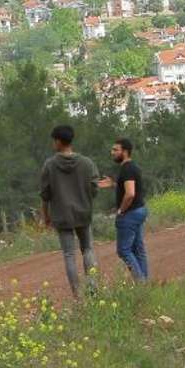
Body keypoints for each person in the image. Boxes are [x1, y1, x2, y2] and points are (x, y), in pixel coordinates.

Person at [39, 124, 100, 297]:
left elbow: (45, 194)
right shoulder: (87, 163)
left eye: (54, 141)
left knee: (69, 254)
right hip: (84, 213)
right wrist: (85, 199)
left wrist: (46, 216)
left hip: (62, 216)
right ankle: (93, 288)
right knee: (88, 249)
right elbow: (94, 188)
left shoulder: (50, 165)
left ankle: (77, 295)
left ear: (58, 141)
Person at [102, 137, 149, 280]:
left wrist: (121, 211)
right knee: (138, 249)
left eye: (116, 150)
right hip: (139, 210)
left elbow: (130, 194)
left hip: (131, 213)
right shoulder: (131, 167)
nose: (112, 152)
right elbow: (128, 189)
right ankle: (144, 282)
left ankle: (140, 282)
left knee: (123, 250)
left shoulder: (127, 168)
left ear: (125, 151)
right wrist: (113, 185)